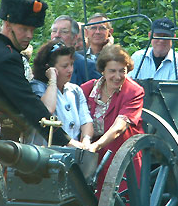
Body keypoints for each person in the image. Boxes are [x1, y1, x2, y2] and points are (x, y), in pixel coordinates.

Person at [0, 0, 82, 148]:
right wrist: (65, 141)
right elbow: (28, 104)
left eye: (32, 30)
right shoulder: (7, 56)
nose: (29, 35)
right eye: (23, 29)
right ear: (7, 24)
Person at [81, 44, 144, 199]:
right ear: (103, 71)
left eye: (122, 71)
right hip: (91, 157)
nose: (117, 76)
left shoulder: (134, 91)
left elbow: (119, 127)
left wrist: (96, 145)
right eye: (112, 71)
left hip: (121, 158)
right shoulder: (87, 89)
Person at [29, 39, 93, 147]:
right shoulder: (36, 87)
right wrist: (52, 80)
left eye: (71, 64)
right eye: (65, 66)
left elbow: (86, 120)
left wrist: (86, 140)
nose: (70, 70)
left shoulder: (75, 90)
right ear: (48, 67)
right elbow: (47, 109)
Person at [50, 15, 101, 86]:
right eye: (54, 31)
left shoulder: (86, 66)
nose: (57, 35)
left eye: (64, 32)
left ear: (74, 38)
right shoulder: (43, 61)